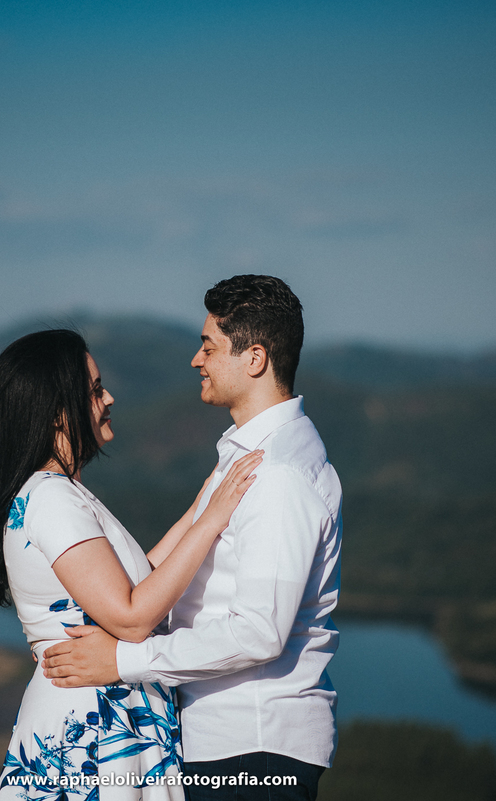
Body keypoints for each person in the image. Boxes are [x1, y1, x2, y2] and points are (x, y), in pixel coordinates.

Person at [0, 329, 263, 801]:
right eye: (96, 390)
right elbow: (133, 615)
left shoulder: (60, 493)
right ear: (59, 411)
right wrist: (213, 520)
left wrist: (206, 503)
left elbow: (140, 577)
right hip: (91, 732)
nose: (109, 398)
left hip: (108, 721)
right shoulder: (52, 499)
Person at [41, 276, 343, 801]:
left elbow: (258, 633)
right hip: (233, 742)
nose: (195, 360)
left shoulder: (277, 476)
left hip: (254, 746)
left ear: (254, 358)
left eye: (208, 346)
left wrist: (122, 661)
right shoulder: (249, 459)